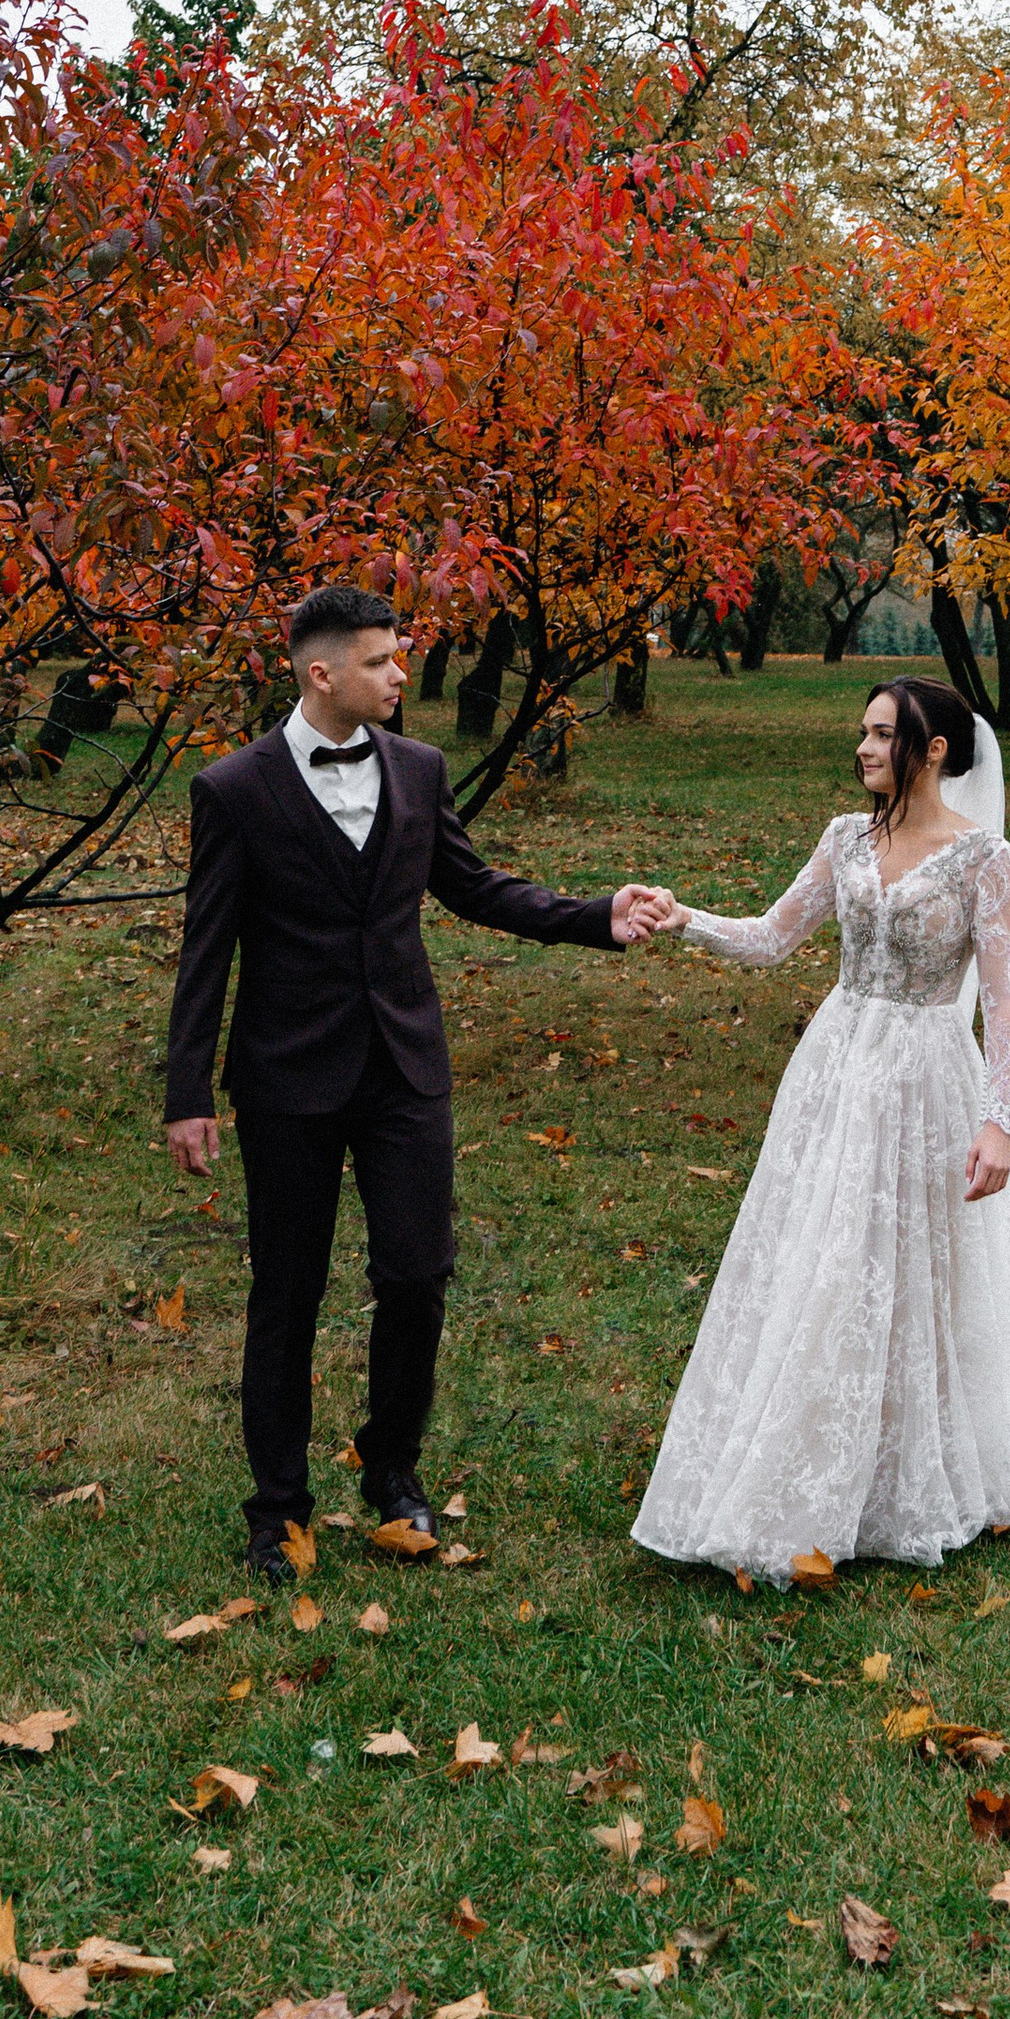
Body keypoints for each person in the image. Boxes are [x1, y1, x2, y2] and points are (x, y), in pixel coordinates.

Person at [163, 586, 673, 1579]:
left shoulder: (420, 768)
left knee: (414, 1274)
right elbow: (205, 951)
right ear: (322, 674)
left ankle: (391, 1470)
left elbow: (474, 888)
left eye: (401, 659)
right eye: (381, 661)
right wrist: (189, 1094)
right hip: (286, 1079)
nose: (402, 674)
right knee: (288, 1292)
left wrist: (593, 915)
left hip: (404, 1070)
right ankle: (277, 1509)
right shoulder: (232, 789)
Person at [629, 674, 1010, 1584]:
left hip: (926, 1077)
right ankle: (809, 1448)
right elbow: (771, 937)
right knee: (829, 1252)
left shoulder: (984, 859)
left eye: (886, 735)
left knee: (910, 1263)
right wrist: (687, 922)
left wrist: (999, 1125)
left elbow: (1005, 1003)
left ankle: (908, 1463)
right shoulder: (844, 839)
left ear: (936, 752)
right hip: (837, 1068)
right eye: (865, 733)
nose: (867, 749)